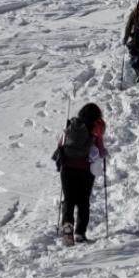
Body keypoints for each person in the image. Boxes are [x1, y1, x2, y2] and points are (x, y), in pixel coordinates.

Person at [52, 101, 105, 242]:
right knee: (83, 201)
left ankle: (67, 227)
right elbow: (100, 150)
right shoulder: (96, 127)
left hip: (67, 168)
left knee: (69, 200)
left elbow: (60, 145)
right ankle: (80, 233)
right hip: (85, 169)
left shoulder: (71, 125)